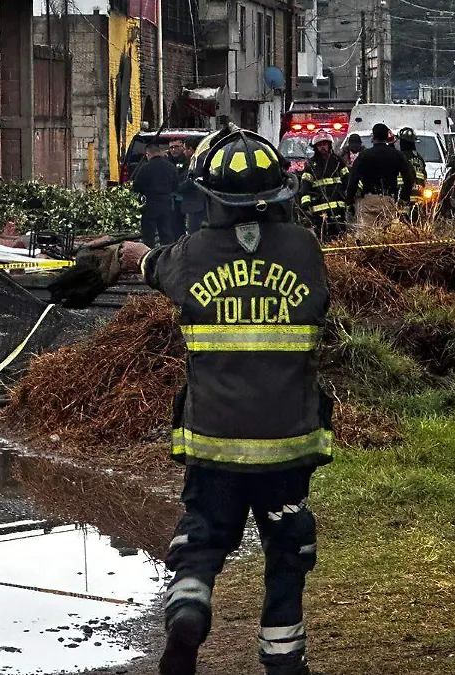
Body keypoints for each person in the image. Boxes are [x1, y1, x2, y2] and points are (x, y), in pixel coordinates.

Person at [141, 130, 332, 675]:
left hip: (214, 441)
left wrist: (125, 256)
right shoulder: (304, 250)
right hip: (287, 443)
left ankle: (188, 610)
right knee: (287, 553)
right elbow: (320, 305)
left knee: (202, 536)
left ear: (210, 197)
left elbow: (154, 267)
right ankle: (283, 663)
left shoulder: (194, 253)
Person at [345, 123, 414, 237]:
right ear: (387, 136)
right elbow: (409, 178)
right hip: (388, 201)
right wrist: (403, 199)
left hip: (368, 201)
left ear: (373, 137)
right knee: (388, 237)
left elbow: (353, 180)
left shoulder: (364, 156)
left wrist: (350, 201)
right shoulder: (397, 155)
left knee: (366, 237)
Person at [298, 131, 349, 240]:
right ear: (316, 147)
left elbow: (347, 180)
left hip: (338, 208)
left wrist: (349, 198)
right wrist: (306, 203)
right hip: (319, 209)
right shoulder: (311, 165)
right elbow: (305, 186)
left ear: (329, 145)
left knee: (341, 237)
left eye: (324, 144)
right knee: (323, 238)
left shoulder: (338, 161)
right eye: (320, 145)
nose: (322, 147)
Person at [132, 143, 184, 246]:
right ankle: (167, 256)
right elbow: (176, 186)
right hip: (167, 204)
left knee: (148, 235)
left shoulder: (145, 168)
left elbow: (136, 187)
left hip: (150, 205)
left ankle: (149, 257)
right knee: (166, 233)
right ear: (159, 152)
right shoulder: (171, 167)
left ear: (148, 154)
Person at [396, 127, 429, 220]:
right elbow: (424, 177)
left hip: (404, 197)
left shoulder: (401, 157)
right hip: (418, 198)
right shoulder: (419, 158)